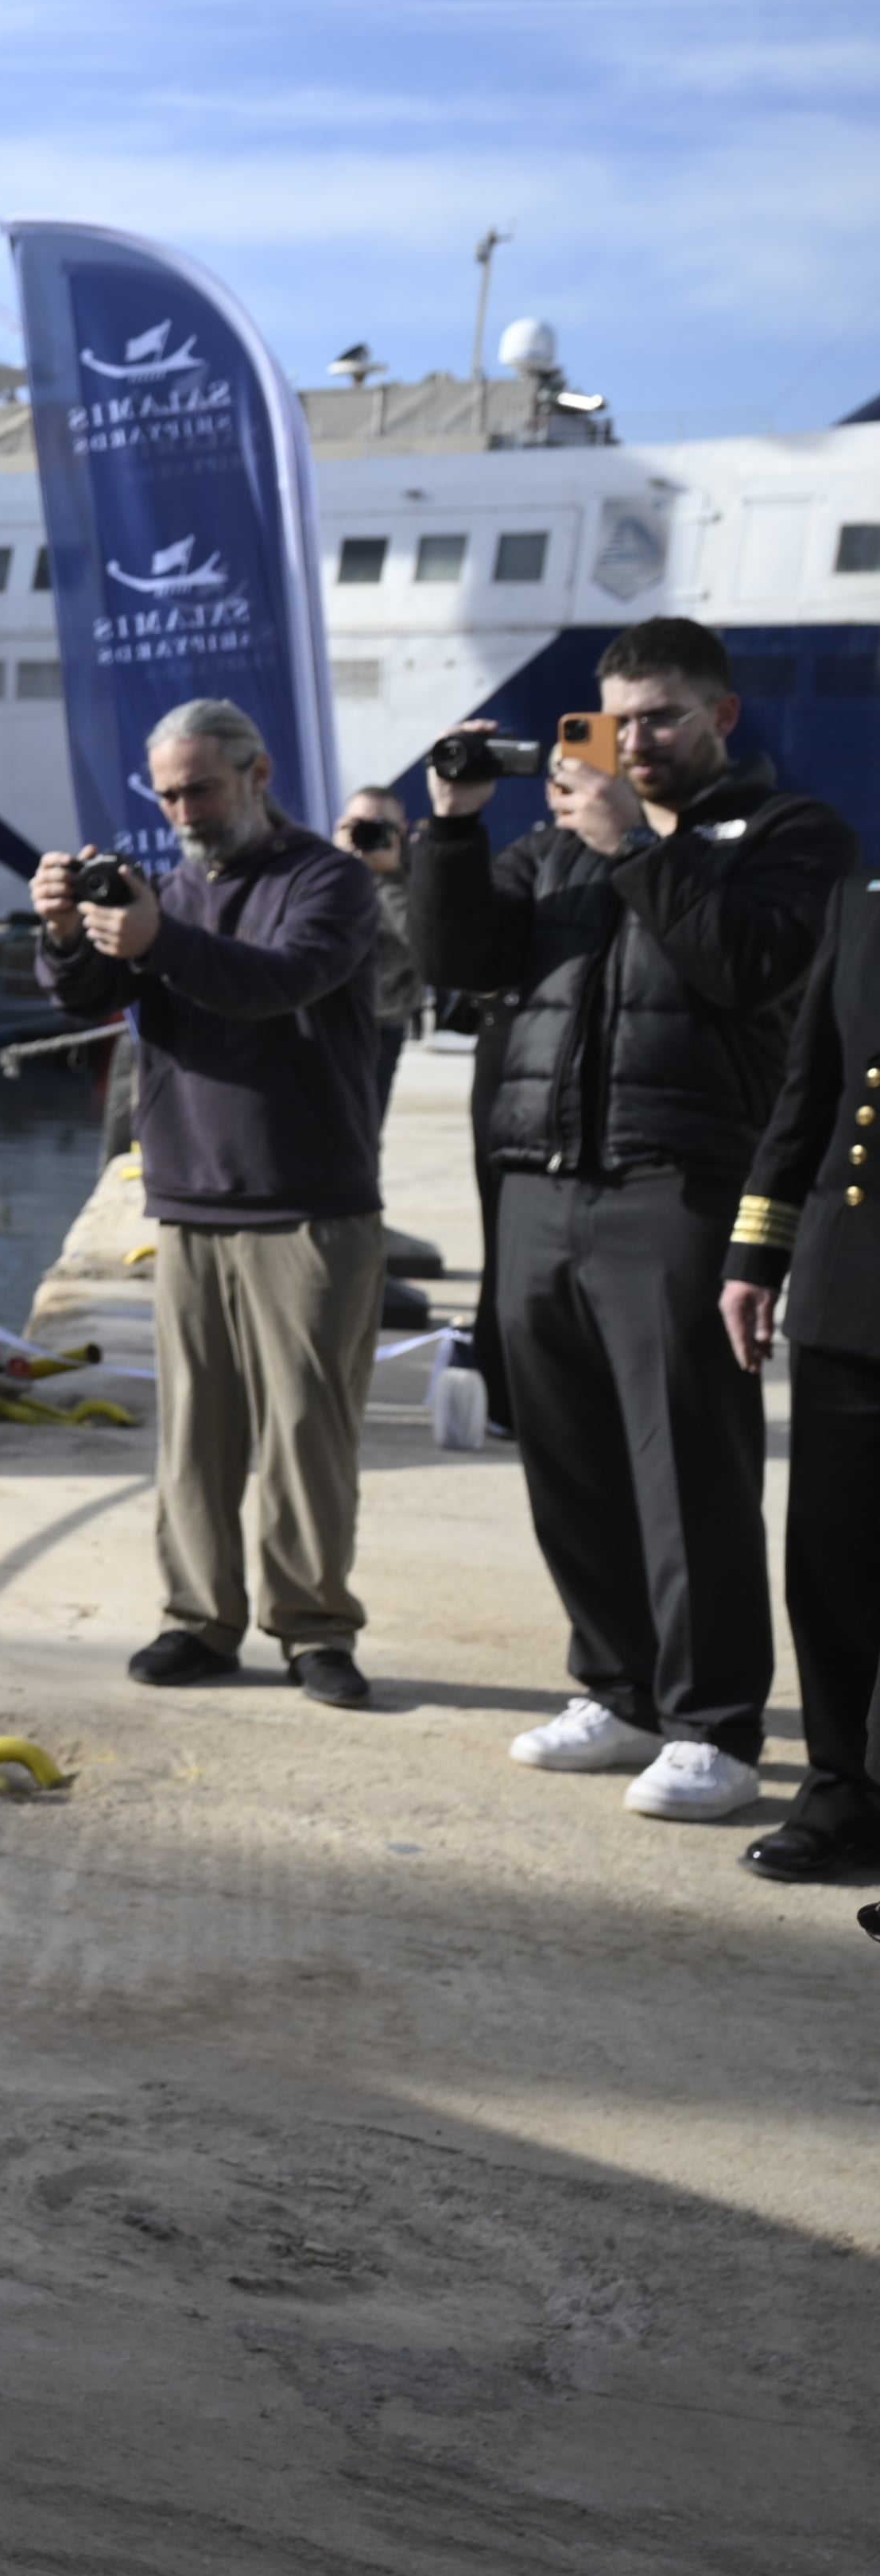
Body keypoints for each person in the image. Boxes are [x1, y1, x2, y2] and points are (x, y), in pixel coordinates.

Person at [411, 617, 851, 1824]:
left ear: (722, 717)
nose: (638, 740)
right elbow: (453, 958)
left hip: (681, 1186)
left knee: (688, 1465)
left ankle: (715, 1725)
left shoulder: (787, 836)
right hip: (542, 1183)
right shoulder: (553, 853)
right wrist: (451, 831)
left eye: (662, 715)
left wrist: (635, 849)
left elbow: (751, 967)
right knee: (568, 1458)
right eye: (619, 718)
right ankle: (619, 1687)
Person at [37, 700, 391, 1706]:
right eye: (168, 793)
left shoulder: (327, 880)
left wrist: (155, 940)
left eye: (200, 787)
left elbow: (274, 983)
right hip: (192, 1201)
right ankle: (198, 1618)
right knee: (194, 1434)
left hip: (310, 1203)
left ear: (257, 773)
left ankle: (315, 1627)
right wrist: (68, 930)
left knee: (306, 1434)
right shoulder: (170, 892)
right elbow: (81, 996)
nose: (183, 808)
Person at [716, 869, 880, 1883]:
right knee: (833, 1558)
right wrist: (756, 1253)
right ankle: (839, 1788)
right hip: (852, 1280)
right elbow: (811, 1083)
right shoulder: (865, 897)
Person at [338, 785, 424, 1122]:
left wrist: (390, 876)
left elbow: (421, 942)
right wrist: (339, 863)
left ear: (401, 830)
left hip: (381, 1022)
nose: (366, 831)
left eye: (379, 824)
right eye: (357, 823)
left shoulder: (417, 873)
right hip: (322, 1019)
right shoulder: (321, 870)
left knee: (362, 1131)